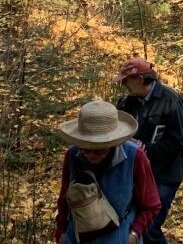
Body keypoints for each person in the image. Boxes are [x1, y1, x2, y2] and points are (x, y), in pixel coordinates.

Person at [54, 100, 161, 244]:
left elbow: (151, 205)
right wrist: (61, 234)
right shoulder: (72, 155)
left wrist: (134, 234)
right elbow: (63, 202)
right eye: (84, 148)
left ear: (112, 143)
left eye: (98, 150)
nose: (90, 154)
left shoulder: (135, 157)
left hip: (120, 238)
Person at [115, 57, 183, 244]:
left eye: (126, 80)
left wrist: (143, 148)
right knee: (134, 223)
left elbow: (176, 142)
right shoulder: (126, 103)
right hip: (136, 173)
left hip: (164, 174)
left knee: (149, 227)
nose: (123, 84)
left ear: (140, 79)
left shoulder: (171, 101)